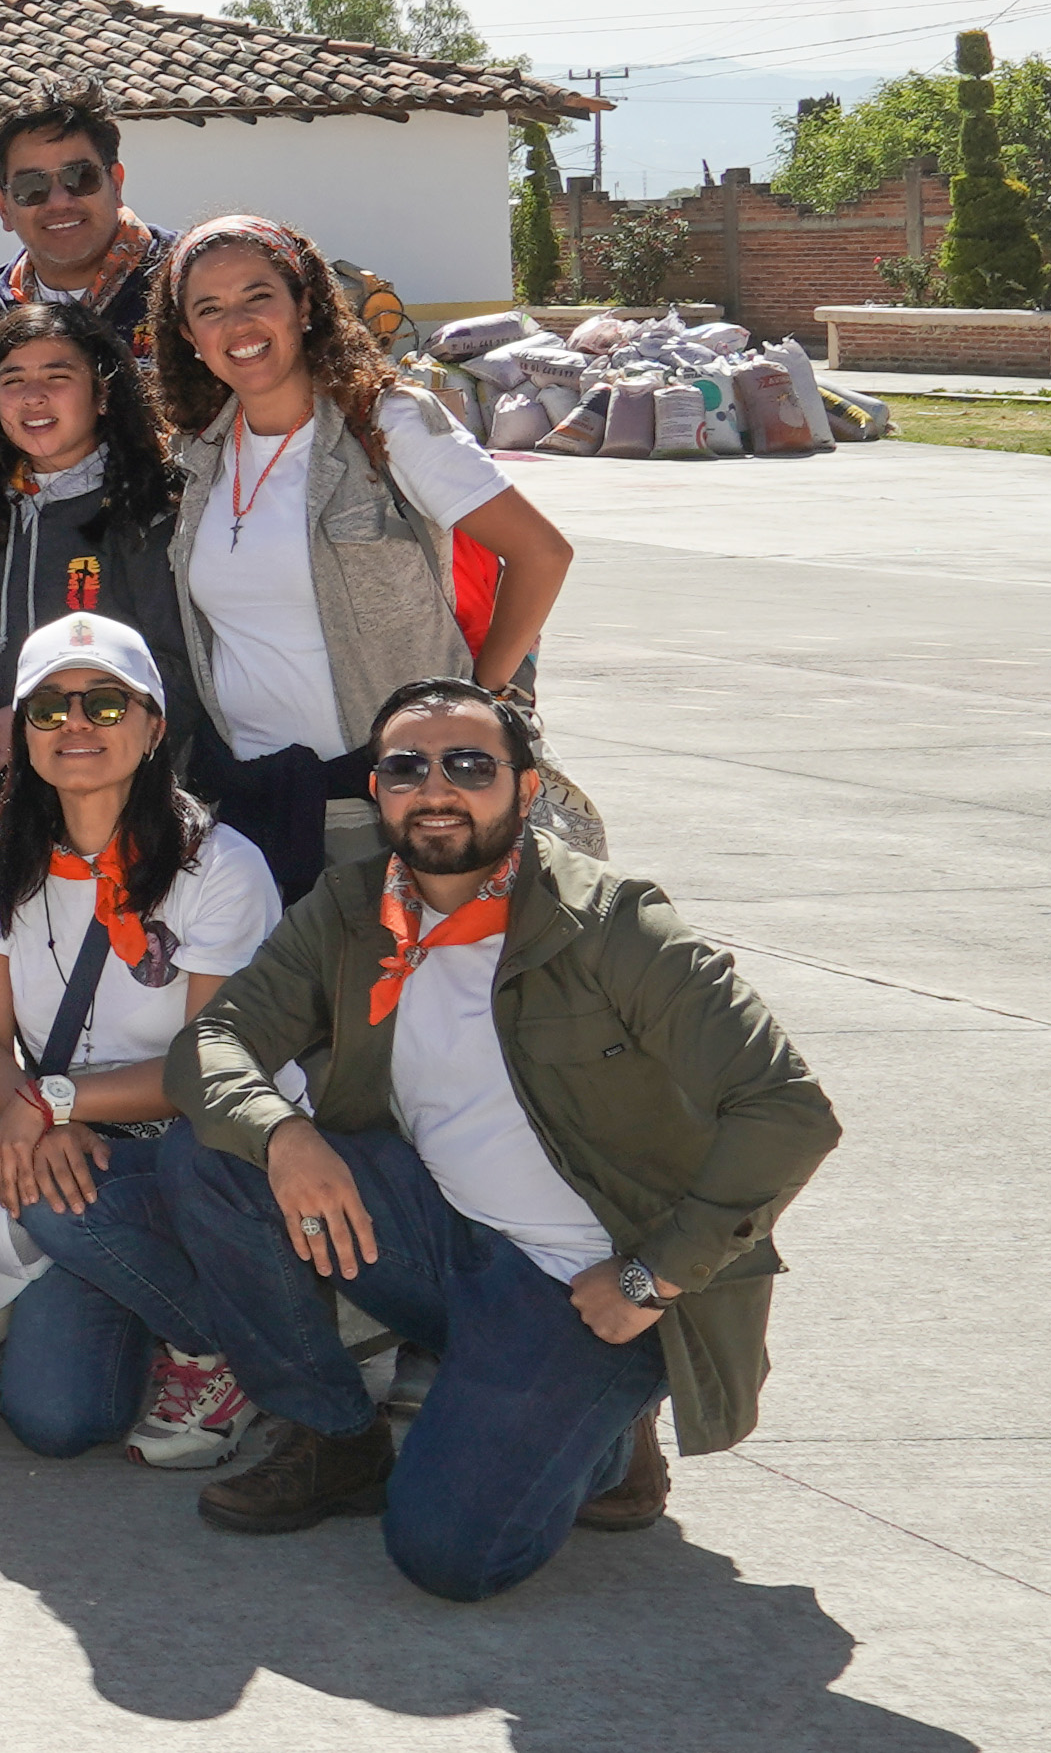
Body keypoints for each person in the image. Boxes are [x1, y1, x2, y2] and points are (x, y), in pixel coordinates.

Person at [173, 678, 838, 1597]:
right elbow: (215, 1042)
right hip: (447, 1237)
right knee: (217, 1160)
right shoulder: (354, 908)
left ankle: (603, 1430)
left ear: (525, 792)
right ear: (378, 793)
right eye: (406, 768)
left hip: (586, 1284)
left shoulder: (614, 923)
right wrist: (281, 1134)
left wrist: (656, 1276)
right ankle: (336, 1435)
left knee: (447, 1558)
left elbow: (787, 1107)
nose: (435, 788)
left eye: (470, 765)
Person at [151, 210, 577, 904]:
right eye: (210, 309)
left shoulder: (389, 422)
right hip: (251, 809)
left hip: (384, 807)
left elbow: (541, 553)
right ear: (188, 337)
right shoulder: (195, 457)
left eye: (259, 296)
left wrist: (476, 700)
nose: (238, 324)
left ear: (306, 303)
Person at [0, 614, 284, 1467]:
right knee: (56, 1421)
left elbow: (216, 1068)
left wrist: (50, 1102)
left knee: (58, 1205)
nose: (77, 727)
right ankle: (166, 1306)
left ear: (154, 724)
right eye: (48, 709)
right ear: (21, 733)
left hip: (204, 1148)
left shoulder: (222, 865)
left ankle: (239, 1346)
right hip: (81, 1140)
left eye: (104, 703)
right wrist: (37, 1111)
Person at [0, 293, 211, 820]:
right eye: (12, 380)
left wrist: (36, 723)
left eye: (57, 376)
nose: (33, 397)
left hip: (114, 798)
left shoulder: (149, 512)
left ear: (101, 394)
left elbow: (176, 672)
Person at [0, 87, 162, 367]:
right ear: (3, 207)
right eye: (31, 186)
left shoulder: (190, 289)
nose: (59, 201)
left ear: (116, 183)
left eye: (80, 177)